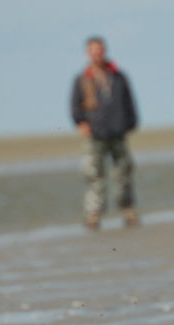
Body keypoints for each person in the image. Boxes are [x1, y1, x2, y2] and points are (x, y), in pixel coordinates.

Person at [71, 36, 139, 230]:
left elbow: (129, 101)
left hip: (118, 133)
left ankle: (128, 211)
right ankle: (93, 215)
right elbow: (75, 106)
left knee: (123, 173)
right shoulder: (82, 79)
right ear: (88, 53)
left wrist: (131, 122)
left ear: (104, 51)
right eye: (93, 50)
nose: (97, 54)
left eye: (99, 50)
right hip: (95, 135)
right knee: (94, 176)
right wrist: (80, 123)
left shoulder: (118, 76)